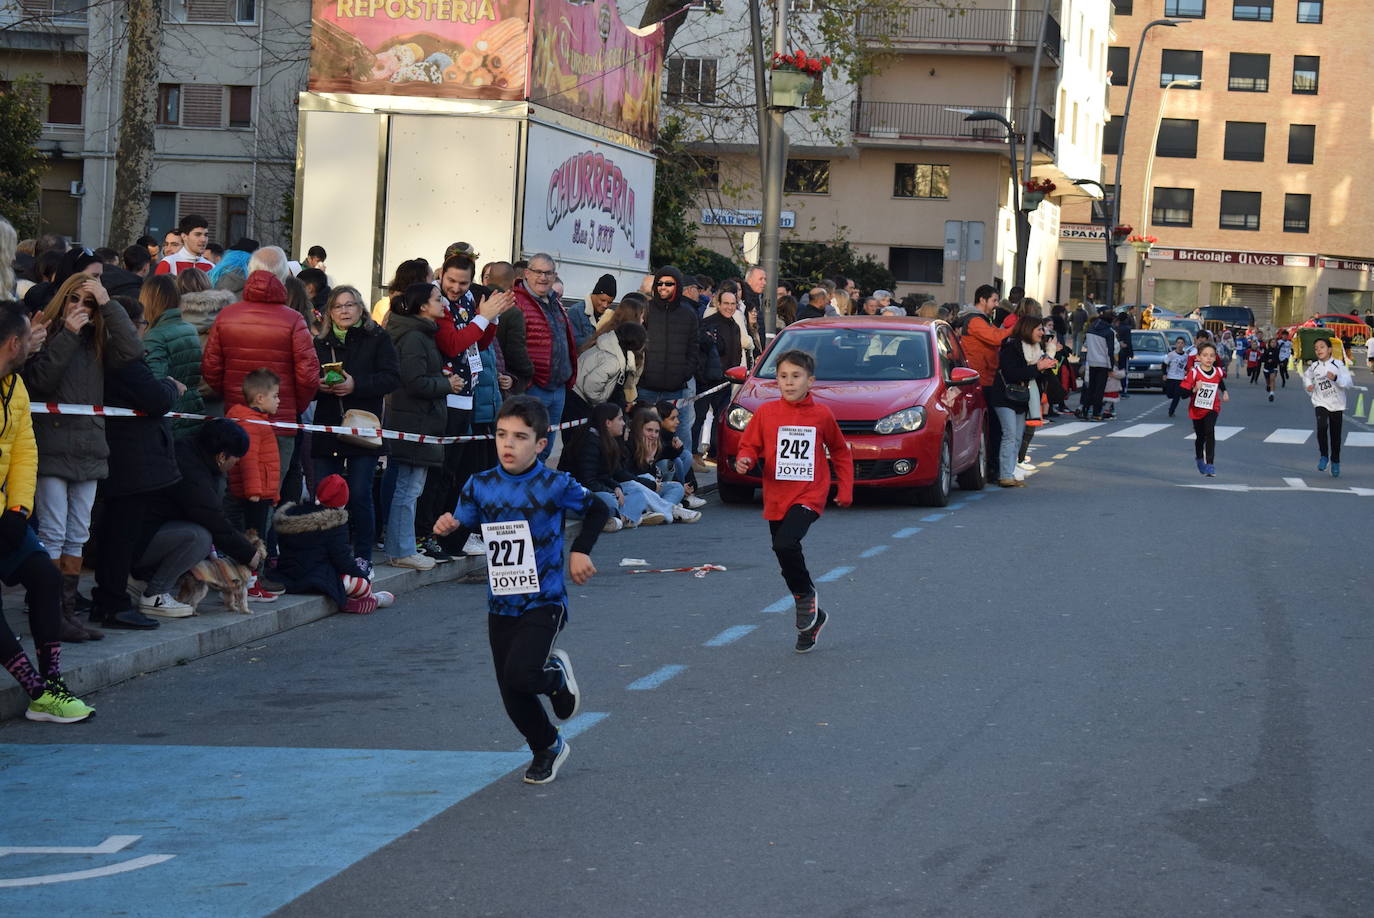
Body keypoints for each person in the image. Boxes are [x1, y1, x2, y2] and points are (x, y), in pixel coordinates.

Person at [432, 396, 611, 785]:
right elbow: (462, 526)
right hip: (502, 602)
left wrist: (579, 551)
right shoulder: (480, 485)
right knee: (513, 693)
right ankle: (547, 745)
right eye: (501, 435)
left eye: (519, 437)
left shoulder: (554, 484)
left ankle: (556, 679)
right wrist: (449, 526)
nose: (508, 444)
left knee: (523, 673)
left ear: (541, 444)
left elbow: (598, 508)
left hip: (544, 599)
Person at [24, 272, 142, 638]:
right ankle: (48, 614)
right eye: (74, 299)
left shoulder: (99, 336)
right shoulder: (46, 331)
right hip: (53, 445)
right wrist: (68, 334)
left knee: (78, 532)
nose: (80, 308)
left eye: (87, 303)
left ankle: (67, 612)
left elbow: (133, 351)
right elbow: (40, 381)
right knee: (53, 531)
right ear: (63, 299)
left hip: (90, 446)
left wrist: (108, 305)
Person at [0, 302, 96, 722]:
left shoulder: (15, 386)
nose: (34, 342)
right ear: (12, 344)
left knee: (44, 576)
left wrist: (18, 511)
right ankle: (36, 689)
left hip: (6, 513)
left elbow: (24, 451)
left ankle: (51, 683)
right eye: (30, 337)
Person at [733, 349, 853, 653]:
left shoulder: (822, 415)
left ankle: (805, 598)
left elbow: (840, 451)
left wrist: (845, 489)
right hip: (777, 494)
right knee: (783, 554)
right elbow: (749, 445)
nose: (789, 382)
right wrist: (745, 460)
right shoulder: (766, 413)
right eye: (783, 376)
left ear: (810, 381)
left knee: (786, 544)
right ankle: (813, 617)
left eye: (796, 376)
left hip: (810, 493)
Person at [133, 418, 266, 614]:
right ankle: (156, 594)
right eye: (235, 460)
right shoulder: (192, 470)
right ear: (222, 456)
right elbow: (212, 519)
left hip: (142, 533)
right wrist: (248, 553)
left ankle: (140, 579)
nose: (235, 466)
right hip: (138, 539)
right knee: (199, 537)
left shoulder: (191, 454)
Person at [201, 268, 321, 483]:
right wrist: (294, 407)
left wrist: (231, 395)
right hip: (280, 421)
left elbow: (211, 367)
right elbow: (309, 374)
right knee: (269, 490)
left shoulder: (226, 316)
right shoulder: (294, 320)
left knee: (232, 489)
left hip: (236, 416)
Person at [312, 285, 400, 568]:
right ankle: (329, 553)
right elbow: (307, 380)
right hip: (328, 426)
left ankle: (363, 554)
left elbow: (391, 378)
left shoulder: (377, 337)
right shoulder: (320, 343)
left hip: (363, 427)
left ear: (361, 308)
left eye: (350, 304)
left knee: (360, 493)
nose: (345, 310)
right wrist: (319, 386)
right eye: (338, 306)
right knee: (327, 494)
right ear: (330, 313)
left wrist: (356, 385)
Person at [383, 283, 454, 570]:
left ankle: (405, 547)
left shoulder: (421, 334)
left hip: (420, 419)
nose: (444, 304)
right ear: (423, 305)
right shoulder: (414, 337)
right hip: (413, 420)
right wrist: (447, 384)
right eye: (439, 299)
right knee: (408, 489)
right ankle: (401, 550)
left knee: (412, 487)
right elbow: (413, 381)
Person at [274, 474, 394, 614]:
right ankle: (373, 600)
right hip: (316, 579)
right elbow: (342, 559)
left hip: (286, 575)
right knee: (361, 584)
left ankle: (363, 599)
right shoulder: (335, 523)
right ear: (342, 501)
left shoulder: (293, 514)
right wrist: (362, 577)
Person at [511, 254, 577, 462]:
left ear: (555, 276)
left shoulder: (555, 303)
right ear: (527, 273)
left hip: (558, 388)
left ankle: (535, 491)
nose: (543, 277)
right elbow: (512, 346)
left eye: (548, 273)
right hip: (533, 387)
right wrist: (527, 378)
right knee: (526, 447)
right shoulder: (516, 301)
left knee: (545, 448)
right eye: (538, 272)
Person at [225, 370, 281, 587]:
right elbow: (249, 460)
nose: (279, 400)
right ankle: (253, 581)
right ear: (260, 398)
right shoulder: (252, 423)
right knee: (255, 538)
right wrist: (255, 492)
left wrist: (273, 493)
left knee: (255, 536)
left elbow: (268, 462)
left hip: (262, 491)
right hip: (255, 494)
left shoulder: (258, 420)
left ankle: (252, 579)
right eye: (275, 395)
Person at [638, 266, 701, 454]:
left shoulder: (688, 314)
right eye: (659, 283)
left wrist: (684, 374)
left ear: (678, 286)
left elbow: (694, 347)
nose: (663, 287)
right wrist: (642, 374)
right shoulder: (646, 310)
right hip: (646, 388)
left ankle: (685, 481)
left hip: (676, 391)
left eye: (668, 283)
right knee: (643, 439)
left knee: (681, 441)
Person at [990, 316, 1056, 488]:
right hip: (1004, 396)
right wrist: (1037, 368)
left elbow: (1036, 375)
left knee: (1018, 437)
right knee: (1010, 434)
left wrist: (1046, 366)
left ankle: (1009, 473)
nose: (1042, 333)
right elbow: (1013, 373)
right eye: (1039, 329)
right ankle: (1004, 475)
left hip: (1021, 397)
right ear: (1028, 329)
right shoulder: (1012, 347)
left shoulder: (1036, 349)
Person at [139, 274, 205, 438]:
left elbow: (156, 385)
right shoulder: (189, 328)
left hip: (171, 418)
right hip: (193, 411)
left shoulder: (154, 337)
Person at [563, 402, 642, 532]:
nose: (623, 423)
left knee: (637, 493)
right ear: (608, 422)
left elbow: (604, 475)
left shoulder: (606, 440)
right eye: (620, 419)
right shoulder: (588, 441)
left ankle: (618, 519)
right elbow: (586, 481)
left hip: (596, 490)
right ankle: (624, 517)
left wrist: (616, 487)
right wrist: (610, 491)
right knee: (609, 501)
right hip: (576, 493)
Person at [695, 287, 749, 466]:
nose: (729, 307)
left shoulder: (734, 324)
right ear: (718, 304)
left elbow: (735, 354)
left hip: (726, 381)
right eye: (726, 303)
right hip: (708, 380)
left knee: (721, 419)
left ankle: (714, 454)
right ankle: (695, 456)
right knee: (699, 417)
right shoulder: (708, 323)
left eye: (733, 304)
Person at [621, 405, 700, 524]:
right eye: (649, 430)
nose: (653, 435)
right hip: (634, 487)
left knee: (677, 487)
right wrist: (648, 461)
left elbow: (668, 454)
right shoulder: (628, 444)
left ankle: (656, 512)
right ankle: (671, 510)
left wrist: (677, 448)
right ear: (639, 429)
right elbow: (628, 476)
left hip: (650, 487)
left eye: (656, 431)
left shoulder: (654, 443)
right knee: (647, 479)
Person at [1304, 336, 1352, 477]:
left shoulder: (1338, 365)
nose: (1318, 350)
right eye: (1316, 348)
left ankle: (1335, 461)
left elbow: (1348, 382)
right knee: (1322, 427)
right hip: (1320, 402)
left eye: (1322, 347)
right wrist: (1309, 385)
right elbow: (1307, 376)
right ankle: (1324, 456)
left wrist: (1336, 378)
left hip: (1337, 405)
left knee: (1335, 435)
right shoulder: (1314, 366)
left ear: (1330, 349)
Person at [1180, 342, 1228, 477]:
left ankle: (1210, 464)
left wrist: (1224, 392)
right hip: (1197, 409)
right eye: (1205, 355)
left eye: (1212, 356)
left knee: (1210, 431)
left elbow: (1220, 381)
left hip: (1212, 407)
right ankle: (1199, 458)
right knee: (1200, 436)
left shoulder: (1218, 371)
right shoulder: (1194, 373)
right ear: (1199, 357)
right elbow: (1183, 394)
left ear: (1215, 358)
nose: (1209, 358)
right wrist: (1194, 389)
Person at [574, 321, 645, 409]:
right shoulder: (613, 361)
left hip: (576, 392)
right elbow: (591, 388)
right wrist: (602, 405)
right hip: (579, 400)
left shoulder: (611, 348)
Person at [1077, 309, 1116, 421]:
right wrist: (1111, 366)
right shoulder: (1109, 332)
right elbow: (1110, 351)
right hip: (1103, 363)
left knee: (1091, 388)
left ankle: (1085, 410)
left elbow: (1085, 344)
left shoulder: (1090, 329)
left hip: (1091, 361)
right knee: (1099, 390)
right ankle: (1096, 413)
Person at [568, 274, 615, 349]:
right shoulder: (575, 312)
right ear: (594, 295)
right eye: (602, 300)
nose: (605, 305)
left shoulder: (609, 315)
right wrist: (598, 340)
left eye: (609, 302)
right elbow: (572, 342)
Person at [1164, 336, 1189, 417]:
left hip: (1180, 378)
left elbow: (1187, 366)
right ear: (1175, 344)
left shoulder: (1186, 356)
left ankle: (1171, 410)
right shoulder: (1171, 354)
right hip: (1171, 377)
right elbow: (1164, 365)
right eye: (1178, 343)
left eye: (1182, 343)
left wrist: (1186, 372)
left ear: (1184, 345)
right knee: (1169, 394)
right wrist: (1164, 374)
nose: (1180, 345)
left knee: (1177, 395)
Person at [1261, 336, 1281, 402]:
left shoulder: (1277, 350)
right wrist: (1267, 360)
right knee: (1268, 380)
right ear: (1269, 343)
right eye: (1272, 342)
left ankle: (1272, 394)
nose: (1273, 344)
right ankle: (1268, 385)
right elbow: (1263, 358)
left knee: (1272, 379)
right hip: (1266, 367)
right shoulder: (1266, 350)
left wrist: (1277, 362)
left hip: (1274, 367)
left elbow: (1278, 359)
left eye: (1275, 342)